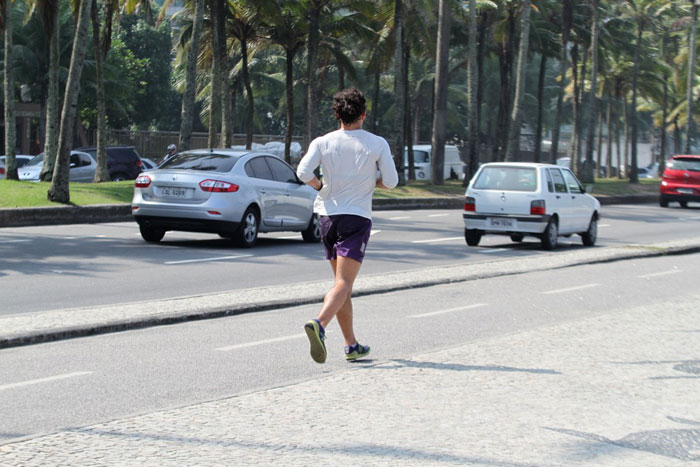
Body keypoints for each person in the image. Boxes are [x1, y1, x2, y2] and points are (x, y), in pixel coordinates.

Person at [296, 88, 399, 364]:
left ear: (338, 115)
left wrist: (320, 186)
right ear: (363, 114)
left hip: (328, 217)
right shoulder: (376, 143)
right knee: (344, 283)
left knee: (341, 285)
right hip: (356, 218)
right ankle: (319, 323)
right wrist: (373, 182)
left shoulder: (323, 141)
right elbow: (391, 181)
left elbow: (303, 172)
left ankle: (351, 344)